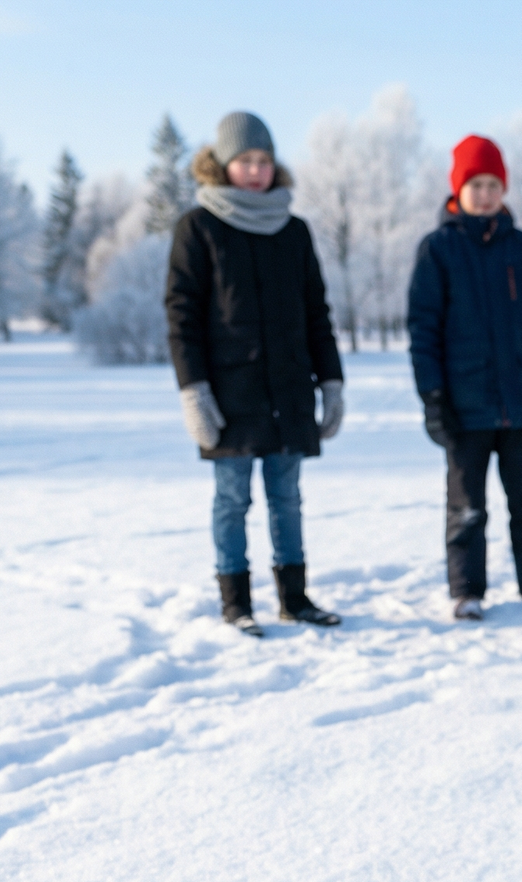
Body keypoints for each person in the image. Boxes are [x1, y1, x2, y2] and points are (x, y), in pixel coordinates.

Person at [165, 111, 344, 638]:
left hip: (288, 390)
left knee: (287, 497)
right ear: (222, 164)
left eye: (264, 160)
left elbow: (318, 313)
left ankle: (295, 598)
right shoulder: (198, 227)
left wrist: (331, 382)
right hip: (230, 394)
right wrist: (193, 390)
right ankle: (236, 602)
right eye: (245, 160)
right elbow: (182, 315)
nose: (256, 170)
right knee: (232, 499)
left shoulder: (293, 230)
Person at [408, 135, 522, 622]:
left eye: (493, 184)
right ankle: (467, 591)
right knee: (466, 508)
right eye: (475, 184)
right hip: (464, 406)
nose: (484, 194)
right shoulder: (437, 250)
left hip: (520, 401)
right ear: (458, 188)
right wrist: (433, 398)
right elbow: (424, 330)